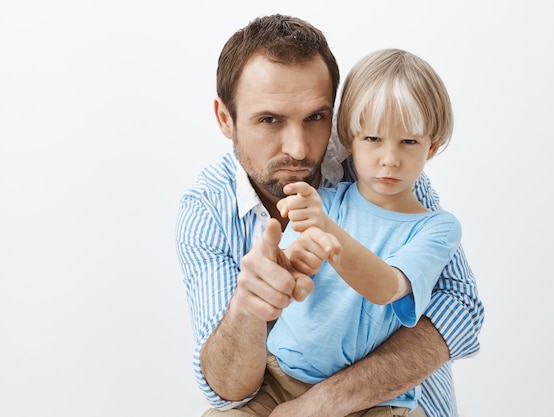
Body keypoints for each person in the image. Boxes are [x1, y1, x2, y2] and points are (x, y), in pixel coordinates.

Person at [175, 14, 484, 417]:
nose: (299, 149)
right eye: (270, 119)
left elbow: (460, 311)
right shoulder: (207, 209)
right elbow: (227, 391)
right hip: (276, 388)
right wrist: (246, 308)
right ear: (224, 118)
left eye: (315, 117)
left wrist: (323, 404)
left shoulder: (381, 173)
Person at [265, 48, 463, 416]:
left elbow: (386, 287)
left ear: (431, 147)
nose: (390, 158)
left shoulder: (436, 228)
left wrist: (326, 231)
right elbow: (291, 270)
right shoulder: (326, 201)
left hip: (371, 399)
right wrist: (297, 261)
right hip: (280, 379)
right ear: (349, 140)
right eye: (373, 139)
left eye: (409, 142)